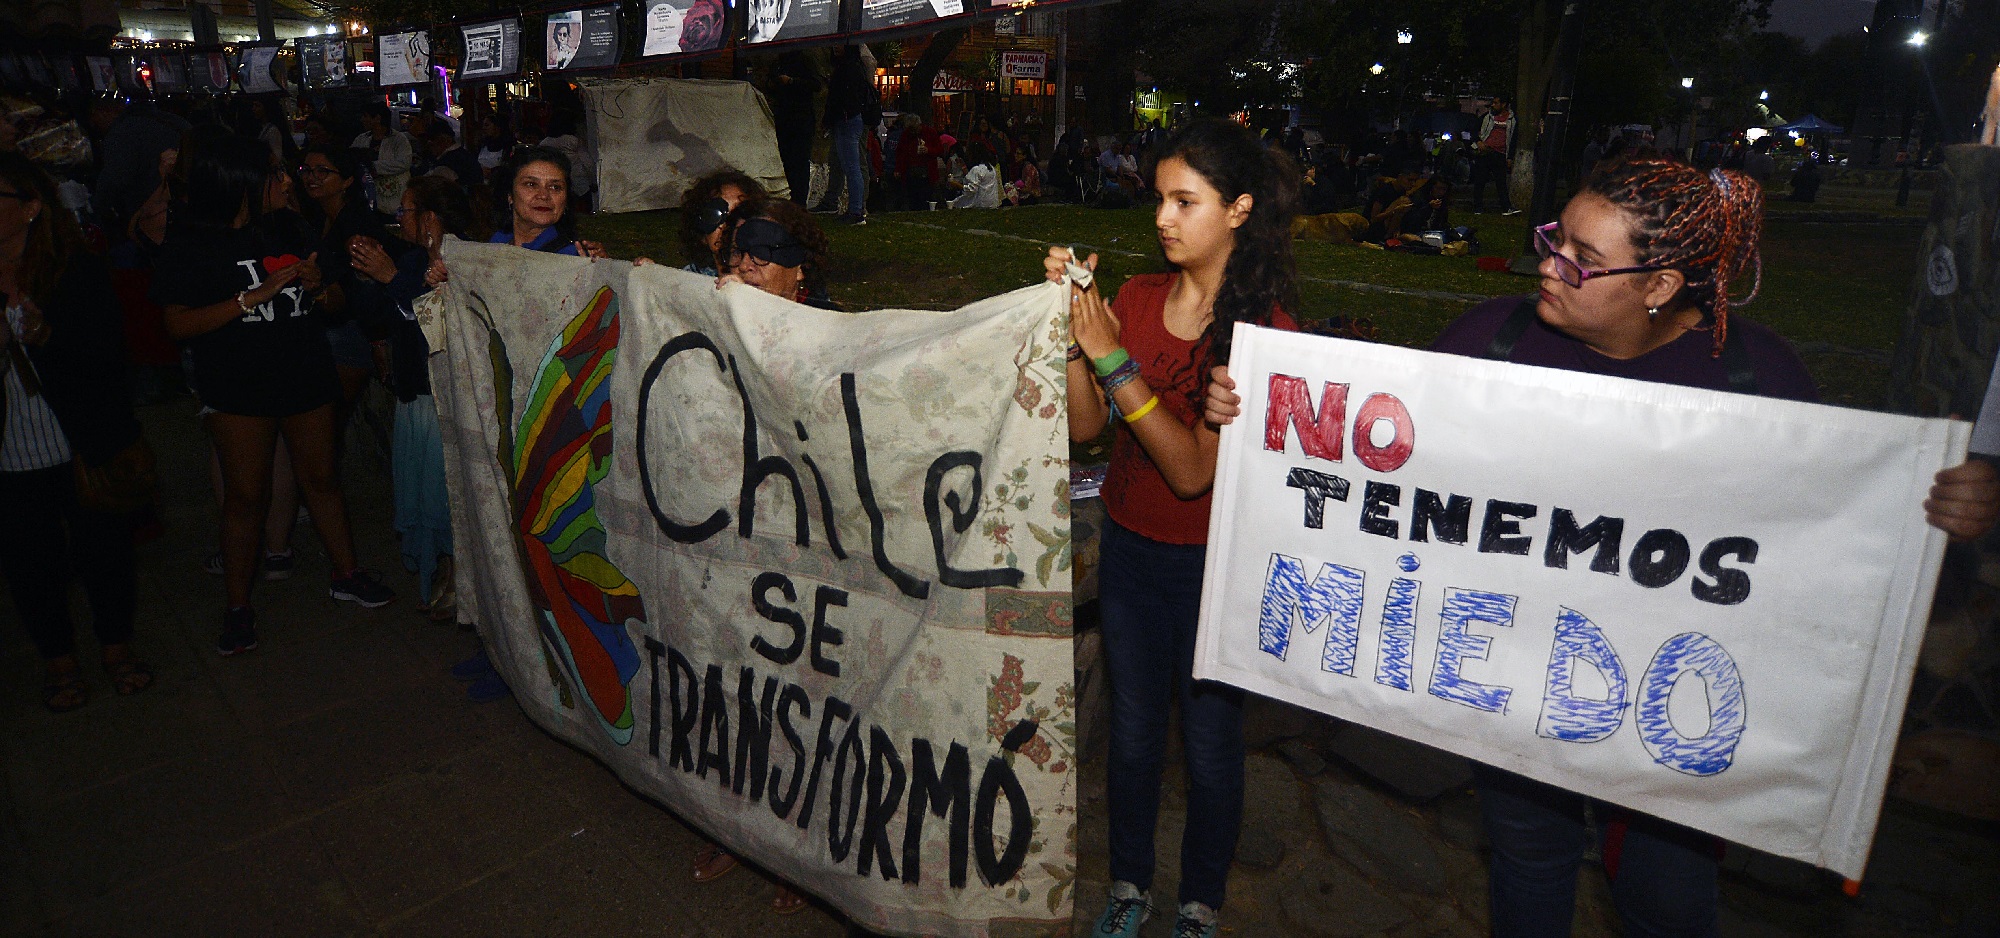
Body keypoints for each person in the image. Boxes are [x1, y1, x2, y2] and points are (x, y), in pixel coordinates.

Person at [1202, 154, 2000, 937]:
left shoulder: (1758, 385)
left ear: (1659, 287)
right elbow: (1377, 460)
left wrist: (1945, 511)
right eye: (1555, 240)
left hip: (1676, 719)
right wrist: (1254, 414)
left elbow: (1835, 532)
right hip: (1515, 691)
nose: (1548, 266)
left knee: (1670, 899)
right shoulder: (1488, 341)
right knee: (1528, 860)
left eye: (1583, 260)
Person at [1046, 118, 1302, 938]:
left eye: (1184, 200)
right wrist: (1078, 341)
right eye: (1159, 198)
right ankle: (1129, 886)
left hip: (1213, 568)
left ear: (1237, 211)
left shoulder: (1266, 334)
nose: (1162, 217)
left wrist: (1115, 362)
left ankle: (1199, 903)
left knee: (1211, 747)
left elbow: (1193, 472)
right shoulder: (1139, 298)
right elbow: (1089, 430)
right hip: (1128, 551)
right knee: (1131, 740)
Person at [152, 133, 395, 657]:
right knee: (245, 497)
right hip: (238, 382)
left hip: (305, 369)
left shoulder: (288, 224)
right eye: (275, 173)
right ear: (241, 183)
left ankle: (346, 573)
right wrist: (251, 297)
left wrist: (318, 286)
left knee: (323, 477)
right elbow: (177, 324)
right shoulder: (193, 241)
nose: (288, 181)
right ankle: (238, 606)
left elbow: (332, 303)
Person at [0, 151, 150, 712]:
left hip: (80, 441)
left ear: (32, 208)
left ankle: (116, 648)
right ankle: (58, 661)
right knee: (29, 562)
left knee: (103, 551)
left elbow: (110, 354)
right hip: (10, 452)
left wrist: (48, 339)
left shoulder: (71, 269)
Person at [347, 176, 490, 620]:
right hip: (414, 397)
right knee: (427, 497)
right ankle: (446, 572)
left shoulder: (469, 262)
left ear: (429, 219)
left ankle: (460, 578)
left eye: (406, 211)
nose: (399, 219)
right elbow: (380, 320)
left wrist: (390, 277)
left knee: (447, 500)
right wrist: (369, 279)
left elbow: (444, 332)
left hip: (444, 403)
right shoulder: (410, 260)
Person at [489, 147, 606, 258]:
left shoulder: (573, 257)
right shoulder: (496, 244)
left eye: (555, 187)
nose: (544, 195)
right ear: (510, 195)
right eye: (531, 184)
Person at [667, 168, 766, 275]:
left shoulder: (772, 279)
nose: (728, 225)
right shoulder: (690, 281)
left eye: (740, 214)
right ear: (702, 235)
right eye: (714, 216)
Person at [815, 45, 871, 225]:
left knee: (852, 166)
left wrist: (829, 119)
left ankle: (856, 210)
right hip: (849, 119)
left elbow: (839, 98)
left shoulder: (847, 69)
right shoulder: (855, 67)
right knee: (849, 165)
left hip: (847, 119)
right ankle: (855, 208)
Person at [767, 52, 820, 205]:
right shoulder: (778, 62)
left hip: (801, 120)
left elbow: (815, 85)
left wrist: (791, 82)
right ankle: (794, 198)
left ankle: (800, 200)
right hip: (785, 118)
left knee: (800, 161)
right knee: (788, 161)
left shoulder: (804, 61)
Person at [352, 103, 412, 219]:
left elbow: (404, 163)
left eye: (365, 116)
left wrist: (373, 167)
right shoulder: (361, 139)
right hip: (369, 201)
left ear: (377, 118)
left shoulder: (399, 139)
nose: (362, 120)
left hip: (394, 201)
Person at [1471, 98, 1518, 215]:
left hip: (1500, 154)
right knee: (1480, 181)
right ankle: (1478, 207)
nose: (1493, 105)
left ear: (1504, 104)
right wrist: (1478, 142)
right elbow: (1473, 129)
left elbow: (1513, 139)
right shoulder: (1487, 117)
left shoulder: (1512, 120)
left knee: (1501, 182)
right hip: (1486, 152)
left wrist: (1510, 157)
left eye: (1496, 103)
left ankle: (1506, 208)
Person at [421, 123, 483, 188]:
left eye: (432, 140)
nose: (429, 144)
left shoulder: (447, 163)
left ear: (445, 140)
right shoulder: (465, 155)